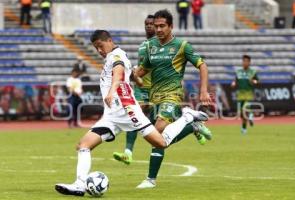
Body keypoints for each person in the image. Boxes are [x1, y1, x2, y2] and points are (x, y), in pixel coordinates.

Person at [54, 29, 208, 196]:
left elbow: (119, 73)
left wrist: (113, 89)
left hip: (128, 111)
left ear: (109, 40)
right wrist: (137, 80)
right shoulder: (116, 56)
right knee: (83, 145)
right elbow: (130, 75)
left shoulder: (116, 56)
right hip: (112, 116)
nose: (99, 50)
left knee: (161, 143)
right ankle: (79, 184)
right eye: (96, 47)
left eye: (100, 45)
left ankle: (188, 117)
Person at [133, 9, 212, 189]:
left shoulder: (182, 46)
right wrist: (131, 75)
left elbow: (202, 65)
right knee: (157, 139)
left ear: (171, 27)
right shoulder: (151, 46)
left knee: (158, 132)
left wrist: (204, 90)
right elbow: (142, 73)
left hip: (173, 94)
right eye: (156, 26)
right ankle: (191, 126)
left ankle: (150, 180)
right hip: (155, 98)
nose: (158, 29)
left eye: (162, 26)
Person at [112, 15, 156, 165]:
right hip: (142, 88)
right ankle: (128, 153)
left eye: (152, 24)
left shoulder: (162, 44)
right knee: (134, 116)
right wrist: (135, 76)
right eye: (146, 24)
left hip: (158, 88)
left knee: (161, 125)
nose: (149, 26)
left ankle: (191, 125)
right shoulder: (143, 45)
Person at [231, 55, 258, 134]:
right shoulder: (238, 72)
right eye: (244, 61)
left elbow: (257, 81)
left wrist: (254, 81)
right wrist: (233, 83)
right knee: (242, 114)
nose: (245, 63)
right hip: (240, 94)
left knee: (245, 108)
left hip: (248, 93)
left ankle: (250, 116)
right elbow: (235, 81)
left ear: (249, 62)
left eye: (246, 61)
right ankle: (244, 129)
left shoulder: (252, 72)